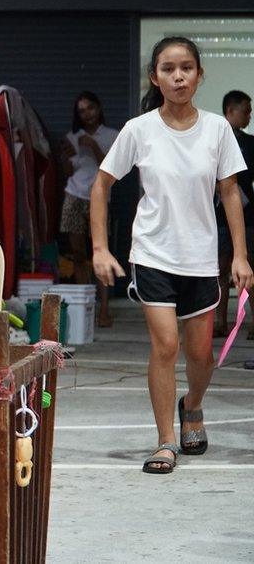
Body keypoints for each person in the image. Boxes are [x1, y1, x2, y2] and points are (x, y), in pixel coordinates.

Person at [90, 37, 254, 474]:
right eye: (168, 68)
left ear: (200, 75)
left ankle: (193, 405)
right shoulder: (139, 129)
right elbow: (101, 185)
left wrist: (240, 256)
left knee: (201, 355)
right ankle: (165, 441)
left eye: (186, 68)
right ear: (154, 77)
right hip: (153, 254)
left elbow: (230, 192)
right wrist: (101, 248)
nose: (178, 76)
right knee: (165, 345)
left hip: (200, 257)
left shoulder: (218, 129)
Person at [59, 91, 120, 327]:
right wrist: (65, 157)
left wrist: (93, 145)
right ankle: (84, 307)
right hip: (74, 195)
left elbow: (113, 170)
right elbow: (69, 173)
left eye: (90, 108)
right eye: (81, 111)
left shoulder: (112, 136)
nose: (86, 114)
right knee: (78, 255)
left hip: (100, 198)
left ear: (99, 108)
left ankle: (104, 310)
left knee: (101, 253)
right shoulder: (73, 137)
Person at [213, 90, 254, 337]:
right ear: (230, 111)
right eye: (245, 110)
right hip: (217, 214)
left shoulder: (251, 143)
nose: (249, 115)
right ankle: (219, 322)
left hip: (248, 215)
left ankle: (252, 322)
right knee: (219, 269)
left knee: (249, 267)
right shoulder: (213, 139)